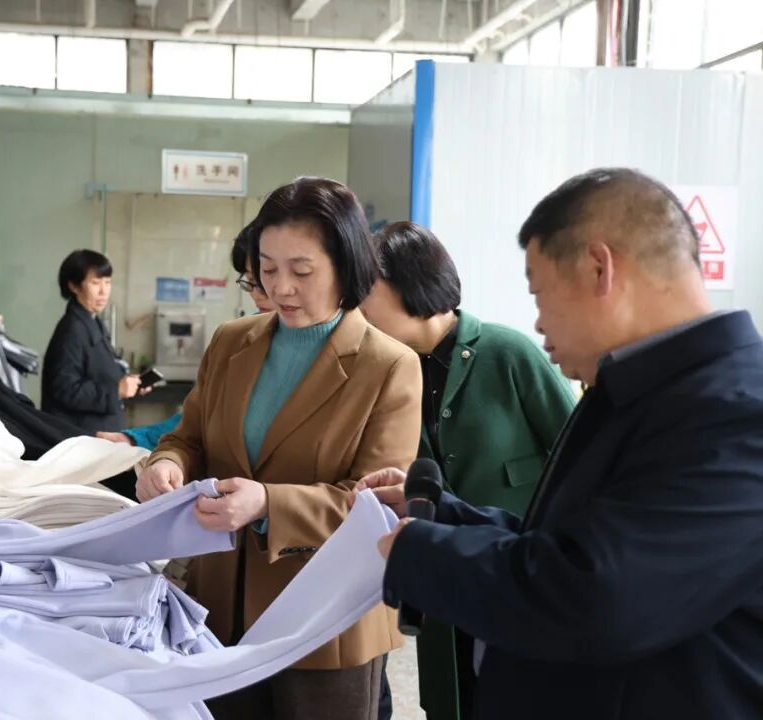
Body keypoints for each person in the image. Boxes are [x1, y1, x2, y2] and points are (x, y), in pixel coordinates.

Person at [368, 168, 763, 720]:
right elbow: (568, 545)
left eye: (539, 293)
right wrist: (442, 517)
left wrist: (424, 554)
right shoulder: (639, 392)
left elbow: (599, 597)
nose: (537, 322)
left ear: (600, 268)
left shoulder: (737, 412)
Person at [137, 177, 422, 720]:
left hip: (324, 620)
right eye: (267, 269)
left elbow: (378, 505)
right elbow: (188, 436)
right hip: (219, 611)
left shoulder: (388, 366)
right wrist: (166, 462)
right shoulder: (231, 342)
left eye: (302, 271)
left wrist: (268, 503)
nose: (282, 287)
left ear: (346, 266)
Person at [359, 221, 576, 720]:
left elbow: (575, 453)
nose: (359, 304)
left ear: (410, 283)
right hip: (444, 579)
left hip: (521, 575)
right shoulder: (392, 370)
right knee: (452, 699)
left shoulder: (507, 352)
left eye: (368, 288)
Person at [97, 226, 275, 450]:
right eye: (250, 280)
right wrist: (136, 439)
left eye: (266, 276)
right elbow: (199, 417)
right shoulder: (238, 339)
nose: (256, 293)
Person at [41, 249, 144, 435]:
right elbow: (65, 388)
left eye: (107, 282)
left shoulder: (92, 322)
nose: (103, 291)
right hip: (81, 437)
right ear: (74, 286)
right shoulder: (72, 329)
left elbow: (99, 373)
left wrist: (129, 385)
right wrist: (116, 391)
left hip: (99, 433)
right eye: (95, 283)